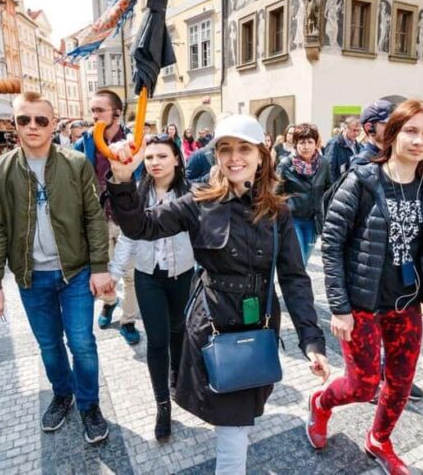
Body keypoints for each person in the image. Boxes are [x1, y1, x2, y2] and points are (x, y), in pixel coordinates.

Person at [105, 114, 330, 474]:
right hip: (212, 327)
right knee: (232, 428)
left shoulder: (278, 211)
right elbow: (141, 225)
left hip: (257, 329)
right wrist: (121, 179)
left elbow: (294, 279)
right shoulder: (198, 202)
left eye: (244, 148)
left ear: (261, 156)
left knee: (236, 422)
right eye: (225, 149)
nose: (234, 157)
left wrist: (311, 341)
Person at [308, 99, 423, 473]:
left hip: (406, 305)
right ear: (394, 132)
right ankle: (321, 403)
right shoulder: (363, 179)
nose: (418, 140)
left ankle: (379, 439)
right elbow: (332, 245)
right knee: (363, 385)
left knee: (400, 382)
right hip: (362, 305)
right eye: (411, 130)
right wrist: (339, 308)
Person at [0, 91, 112, 443]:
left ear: (53, 124)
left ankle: (89, 404)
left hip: (76, 272)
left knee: (82, 342)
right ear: (15, 125)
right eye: (25, 119)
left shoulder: (75, 163)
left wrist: (100, 265)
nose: (33, 126)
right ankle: (62, 394)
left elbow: (94, 217)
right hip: (30, 275)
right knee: (49, 345)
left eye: (41, 119)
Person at [107, 135, 194, 442]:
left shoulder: (190, 194)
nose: (155, 162)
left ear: (176, 159)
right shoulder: (137, 194)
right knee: (156, 341)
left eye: (161, 156)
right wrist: (114, 274)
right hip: (148, 276)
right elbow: (129, 236)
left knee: (178, 332)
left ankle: (177, 379)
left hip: (183, 275)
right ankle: (162, 405)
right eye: (149, 157)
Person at [73, 90, 141, 344]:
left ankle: (129, 320)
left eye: (100, 110)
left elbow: (143, 177)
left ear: (117, 112)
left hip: (128, 218)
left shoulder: (134, 141)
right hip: (98, 220)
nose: (95, 116)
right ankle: (110, 302)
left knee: (131, 275)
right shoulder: (85, 143)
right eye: (92, 111)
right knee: (103, 270)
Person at [276, 123, 331, 265]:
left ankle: (295, 283)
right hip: (292, 220)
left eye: (310, 142)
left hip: (313, 221)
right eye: (302, 142)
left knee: (304, 261)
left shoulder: (323, 164)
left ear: (315, 144)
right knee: (297, 258)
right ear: (295, 144)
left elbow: (330, 190)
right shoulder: (286, 164)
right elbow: (275, 194)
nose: (306, 146)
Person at [352, 100, 392, 165]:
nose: (393, 128)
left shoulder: (390, 154)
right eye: (387, 124)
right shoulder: (362, 162)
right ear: (369, 128)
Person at [324, 116, 362, 182]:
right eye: (354, 130)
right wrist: (333, 189)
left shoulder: (357, 145)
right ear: (345, 128)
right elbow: (329, 170)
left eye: (358, 130)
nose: (356, 133)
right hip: (337, 187)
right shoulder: (334, 144)